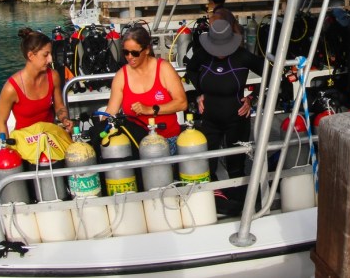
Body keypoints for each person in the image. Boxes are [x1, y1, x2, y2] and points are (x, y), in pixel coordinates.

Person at [184, 19, 264, 181]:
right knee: (208, 166)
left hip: (237, 120)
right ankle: (215, 201)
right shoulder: (202, 55)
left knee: (236, 168)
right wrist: (200, 93)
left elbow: (271, 74)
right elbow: (190, 70)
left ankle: (239, 202)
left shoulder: (243, 57)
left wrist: (252, 99)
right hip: (209, 119)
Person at [104, 25, 189, 153]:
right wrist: (103, 125)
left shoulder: (164, 68)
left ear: (147, 50)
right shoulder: (121, 75)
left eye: (135, 53)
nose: (130, 57)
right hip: (136, 141)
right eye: (126, 53)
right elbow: (111, 110)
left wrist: (149, 110)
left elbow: (182, 103)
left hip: (167, 139)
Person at [0, 28, 73, 142]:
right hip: (25, 143)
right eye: (45, 55)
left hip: (50, 139)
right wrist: (6, 146)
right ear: (31, 55)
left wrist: (65, 119)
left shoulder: (53, 76)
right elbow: (1, 122)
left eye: (50, 54)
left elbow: (59, 107)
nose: (50, 59)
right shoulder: (11, 88)